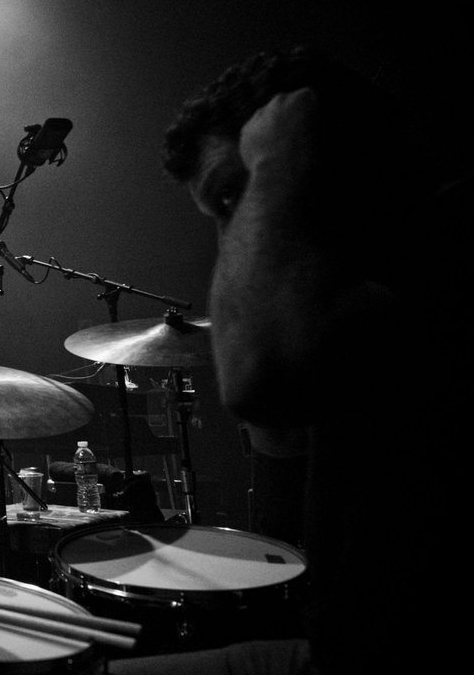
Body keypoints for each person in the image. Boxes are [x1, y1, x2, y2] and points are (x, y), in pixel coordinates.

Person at [110, 45, 468, 675]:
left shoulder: (444, 248)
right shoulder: (353, 289)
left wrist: (273, 166)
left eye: (232, 199)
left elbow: (257, 378)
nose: (235, 239)